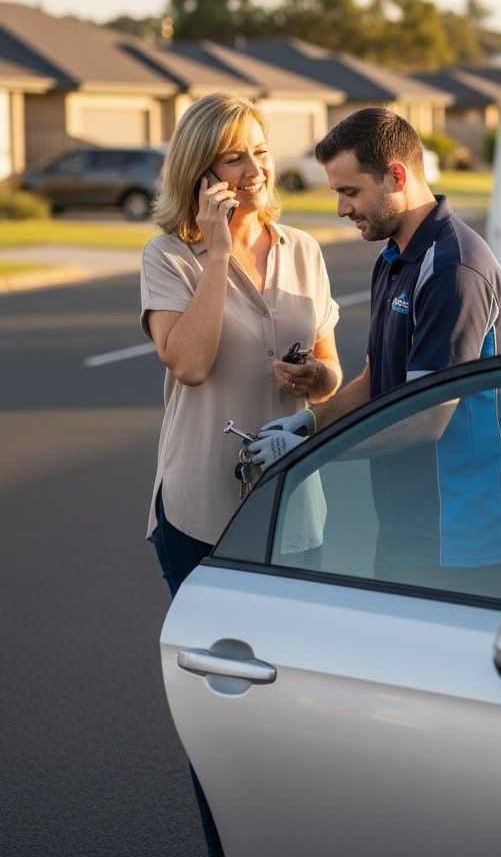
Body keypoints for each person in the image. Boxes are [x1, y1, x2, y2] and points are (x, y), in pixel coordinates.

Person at [140, 92, 342, 856]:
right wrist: (219, 251)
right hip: (201, 513)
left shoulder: (303, 251)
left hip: (297, 511)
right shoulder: (169, 258)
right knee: (224, 712)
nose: (255, 168)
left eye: (260, 151)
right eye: (234, 156)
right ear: (201, 171)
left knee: (297, 700)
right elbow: (189, 363)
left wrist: (311, 385)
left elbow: (331, 373)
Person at [247, 106, 501, 593]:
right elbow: (379, 381)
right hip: (407, 529)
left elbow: (427, 416)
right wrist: (310, 420)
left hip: (462, 541)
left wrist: (309, 453)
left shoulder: (453, 269)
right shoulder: (394, 257)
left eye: (349, 192)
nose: (340, 208)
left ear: (396, 176)